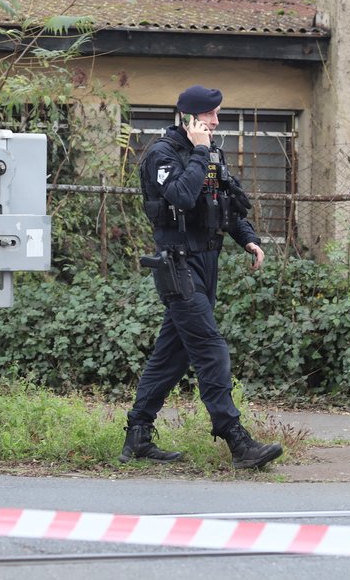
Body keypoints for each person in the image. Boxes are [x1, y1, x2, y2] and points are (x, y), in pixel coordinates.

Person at [122, 84, 283, 470]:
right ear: (189, 117)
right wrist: (198, 152)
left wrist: (248, 239)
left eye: (216, 114)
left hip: (206, 263)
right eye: (209, 115)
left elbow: (224, 203)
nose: (215, 121)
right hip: (178, 265)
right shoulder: (161, 154)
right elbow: (180, 196)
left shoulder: (210, 152)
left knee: (171, 356)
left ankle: (137, 436)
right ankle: (237, 441)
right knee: (211, 348)